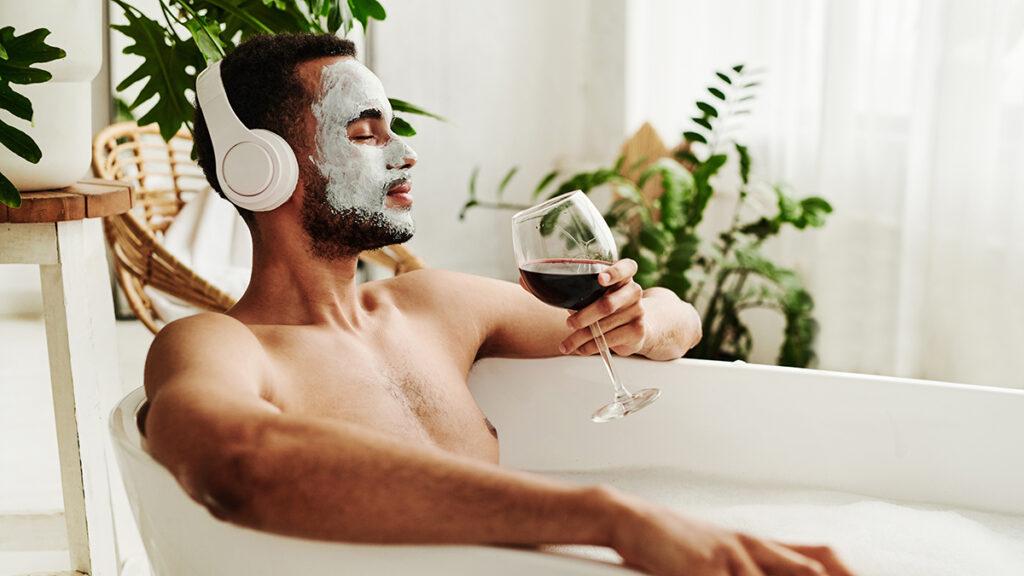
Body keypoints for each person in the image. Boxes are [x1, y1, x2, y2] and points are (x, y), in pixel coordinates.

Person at [144, 33, 853, 576]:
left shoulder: (435, 305)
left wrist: (646, 316)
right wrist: (611, 519)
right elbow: (234, 465)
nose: (405, 153)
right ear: (260, 169)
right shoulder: (215, 345)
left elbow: (677, 323)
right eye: (364, 134)